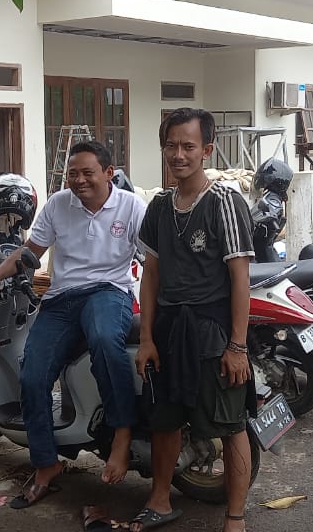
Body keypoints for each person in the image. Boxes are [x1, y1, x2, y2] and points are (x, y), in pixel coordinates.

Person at [0, 140, 147, 508]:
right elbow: (31, 252)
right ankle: (45, 463)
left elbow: (152, 257)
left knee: (105, 339)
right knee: (32, 375)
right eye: (73, 174)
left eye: (88, 173)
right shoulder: (58, 204)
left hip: (109, 291)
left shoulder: (132, 206)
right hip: (62, 299)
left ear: (108, 173)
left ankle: (121, 434)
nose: (79, 180)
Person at [133, 108, 256, 532]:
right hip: (169, 329)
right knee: (164, 420)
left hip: (211, 330)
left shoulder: (224, 202)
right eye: (171, 145)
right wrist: (146, 338)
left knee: (230, 424)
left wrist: (237, 346)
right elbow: (151, 275)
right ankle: (160, 500)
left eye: (188, 146)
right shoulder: (159, 207)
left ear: (206, 150)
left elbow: (240, 279)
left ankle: (235, 517)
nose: (178, 154)